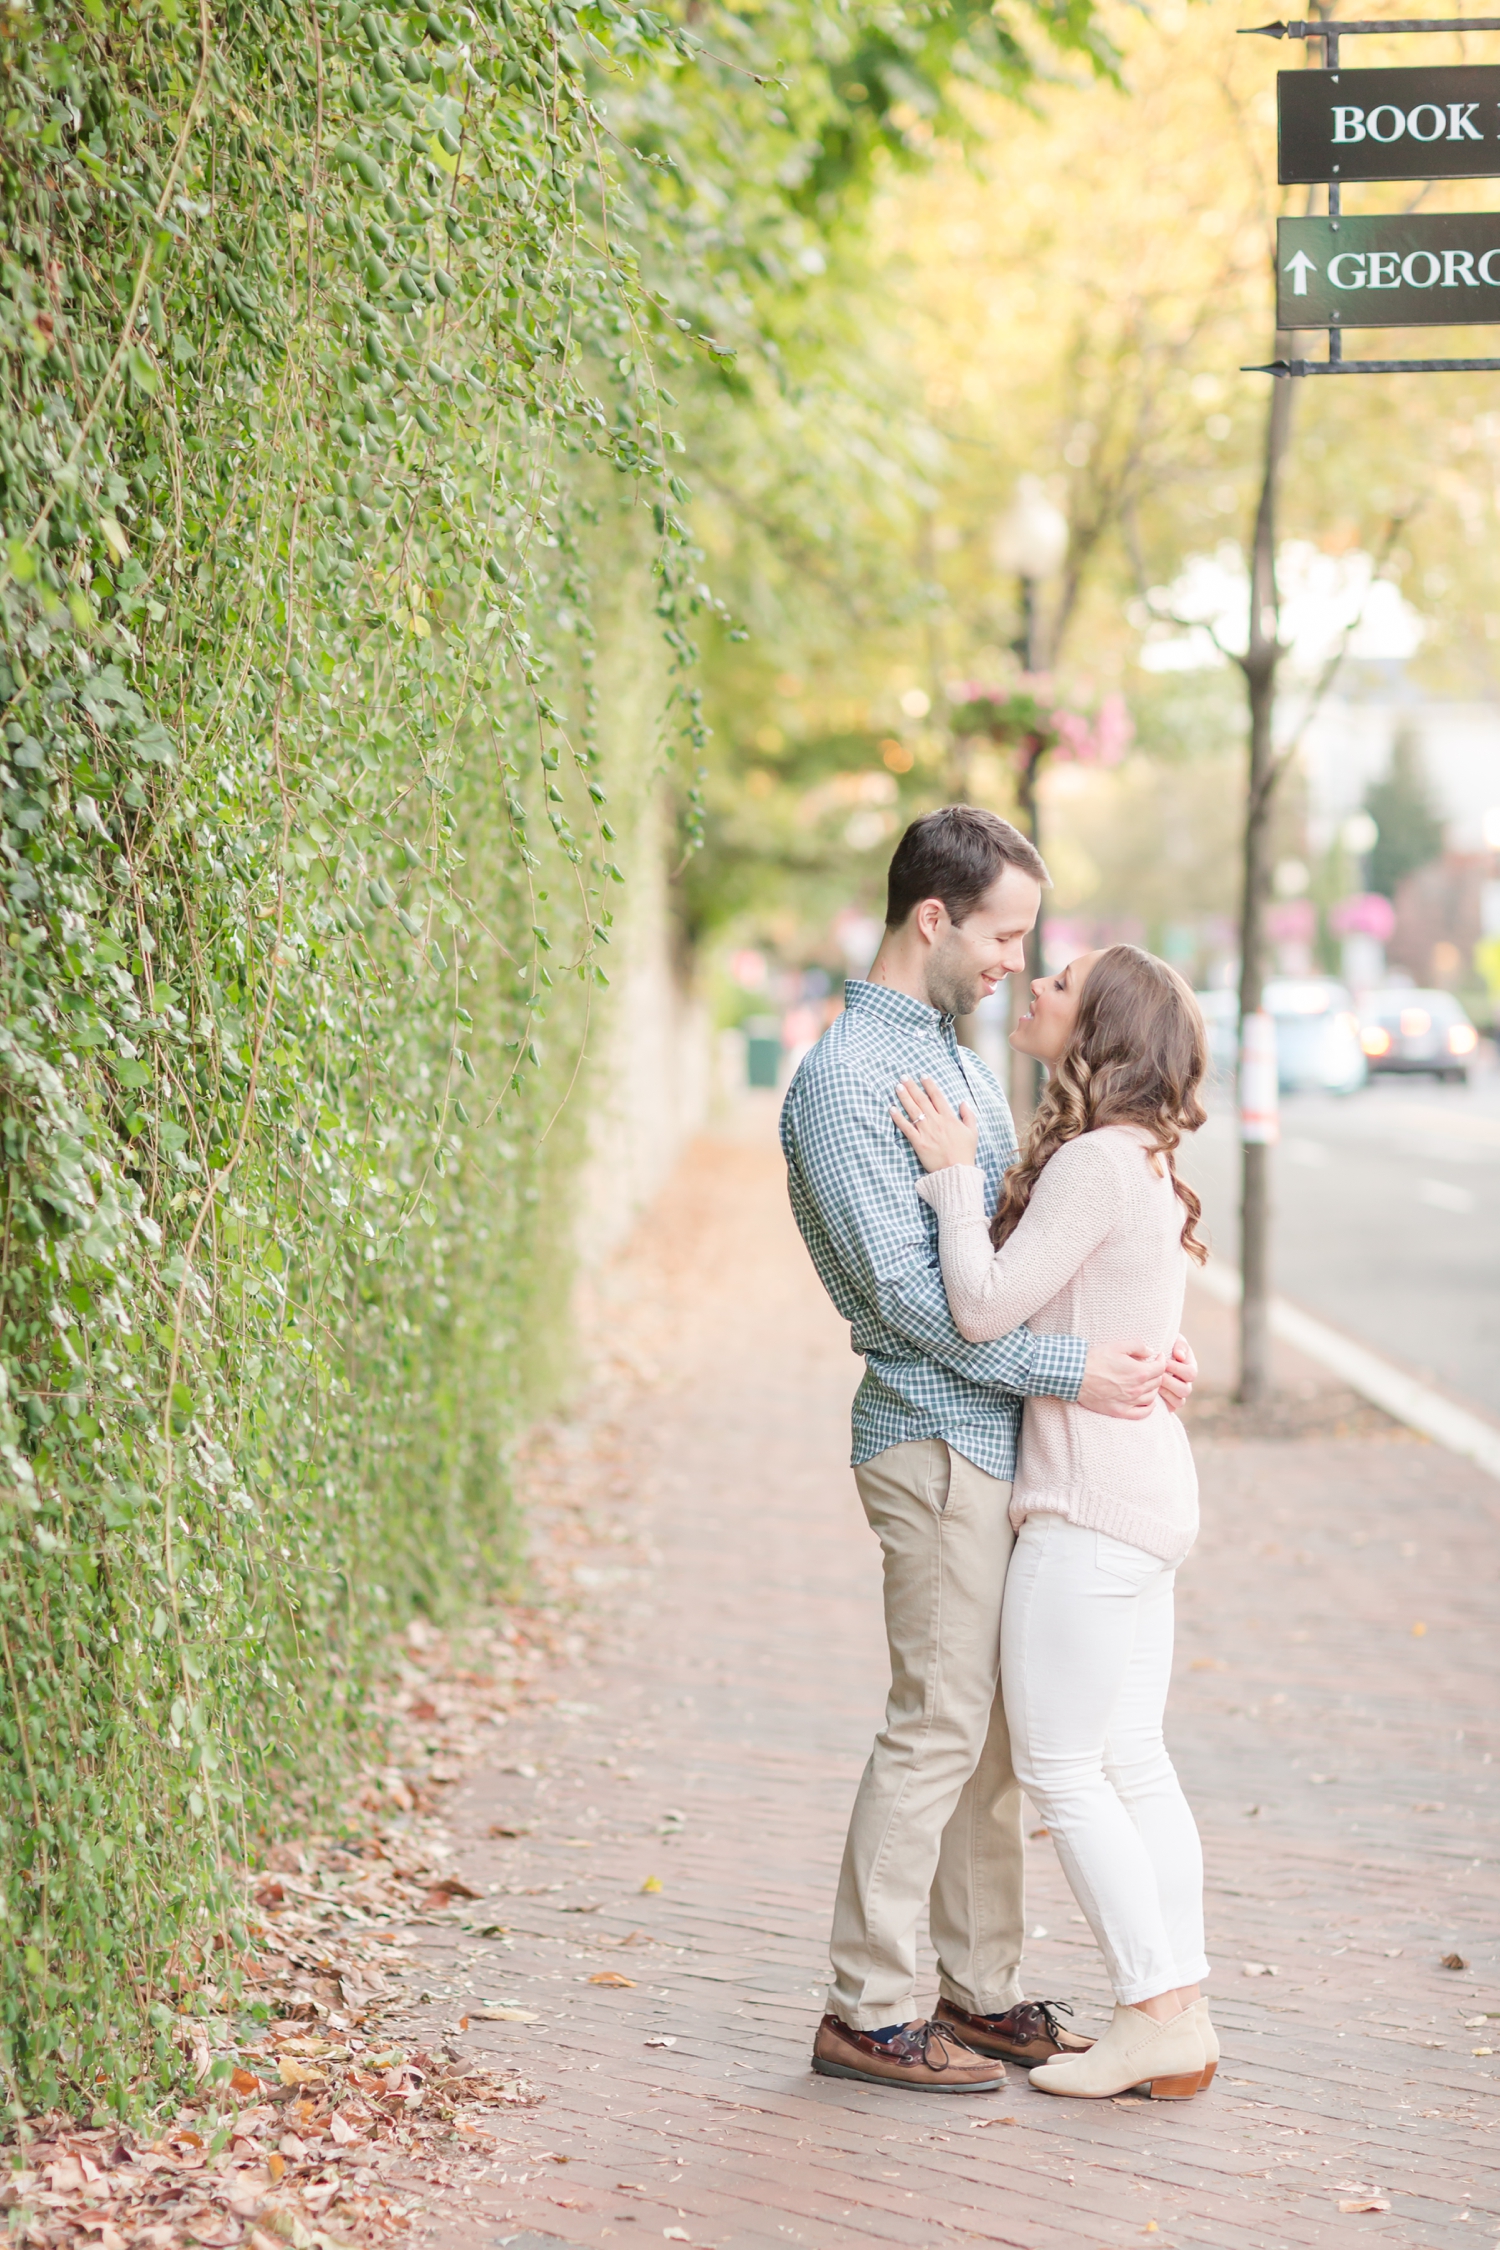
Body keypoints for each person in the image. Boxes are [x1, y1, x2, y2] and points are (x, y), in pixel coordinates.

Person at [780, 806, 1197, 2095]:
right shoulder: (851, 1081)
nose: (1017, 958)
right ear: (934, 920)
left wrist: (1123, 1347)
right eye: (1007, 934)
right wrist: (1081, 1371)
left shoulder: (956, 1065)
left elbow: (1014, 1267)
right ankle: (868, 2005)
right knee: (939, 1721)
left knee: (1004, 1739)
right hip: (932, 1441)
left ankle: (980, 1987)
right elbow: (918, 1308)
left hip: (1005, 1445)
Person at [891, 941, 1216, 2101]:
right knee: (1130, 1757)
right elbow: (1142, 1324)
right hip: (1148, 1493)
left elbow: (980, 1311)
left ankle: (1154, 2012)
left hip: (1089, 1503)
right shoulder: (1142, 1159)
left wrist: (947, 1176)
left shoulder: (1091, 1162)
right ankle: (1183, 2002)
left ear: (1098, 1030)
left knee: (1065, 1767)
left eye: (1062, 981)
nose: (1035, 983)